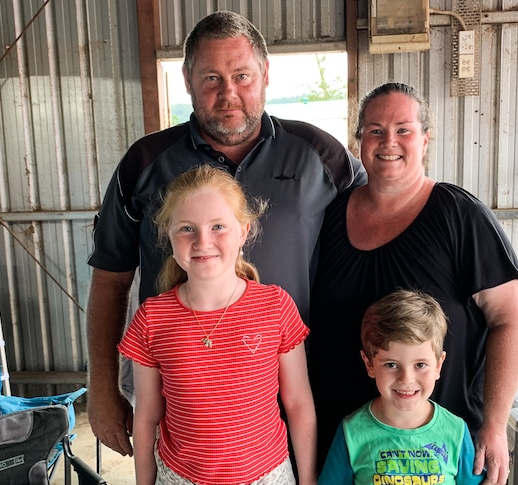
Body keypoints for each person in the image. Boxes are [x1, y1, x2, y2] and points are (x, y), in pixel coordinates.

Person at [86, 10, 365, 456]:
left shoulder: (319, 155)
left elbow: (375, 234)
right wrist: (101, 389)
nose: (228, 93)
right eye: (211, 78)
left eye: (242, 75)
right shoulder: (145, 164)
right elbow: (110, 278)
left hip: (294, 391)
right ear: (187, 80)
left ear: (265, 75)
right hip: (181, 406)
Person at [309, 82, 518, 485]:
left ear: (425, 140)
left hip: (439, 454)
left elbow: (510, 320)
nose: (388, 141)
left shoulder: (459, 214)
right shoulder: (331, 216)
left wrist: (495, 425)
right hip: (350, 448)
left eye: (403, 129)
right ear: (359, 141)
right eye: (375, 130)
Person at [118, 165, 317, 484]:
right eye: (186, 229)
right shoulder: (152, 318)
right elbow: (146, 418)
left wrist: (308, 480)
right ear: (169, 233)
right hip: (181, 477)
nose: (202, 241)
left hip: (268, 475)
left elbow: (298, 404)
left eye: (218, 227)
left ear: (244, 231)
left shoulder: (275, 306)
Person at [319, 289, 484, 485]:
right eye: (391, 365)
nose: (406, 379)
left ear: (438, 365)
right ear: (369, 364)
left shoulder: (456, 431)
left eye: (420, 365)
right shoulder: (352, 432)